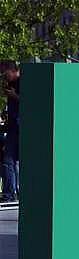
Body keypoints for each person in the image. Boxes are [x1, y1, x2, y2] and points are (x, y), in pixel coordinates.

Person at [0, 61, 19, 203]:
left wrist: (14, 96)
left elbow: (34, 103)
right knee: (9, 162)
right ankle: (9, 194)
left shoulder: (24, 82)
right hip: (12, 126)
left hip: (20, 127)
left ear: (12, 70)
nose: (3, 76)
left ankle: (11, 194)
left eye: (4, 72)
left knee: (11, 161)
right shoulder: (10, 84)